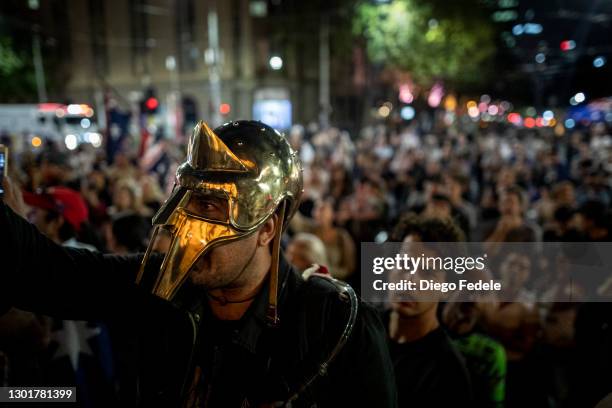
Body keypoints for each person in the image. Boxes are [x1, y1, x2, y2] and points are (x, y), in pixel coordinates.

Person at [0, 120, 397, 407]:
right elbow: (49, 274)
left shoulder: (334, 323)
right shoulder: (159, 286)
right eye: (186, 202)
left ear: (267, 227)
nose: (185, 224)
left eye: (209, 205)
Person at [386, 214, 472, 408]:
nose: (409, 280)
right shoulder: (365, 328)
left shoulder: (448, 373)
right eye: (404, 264)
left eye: (427, 273)